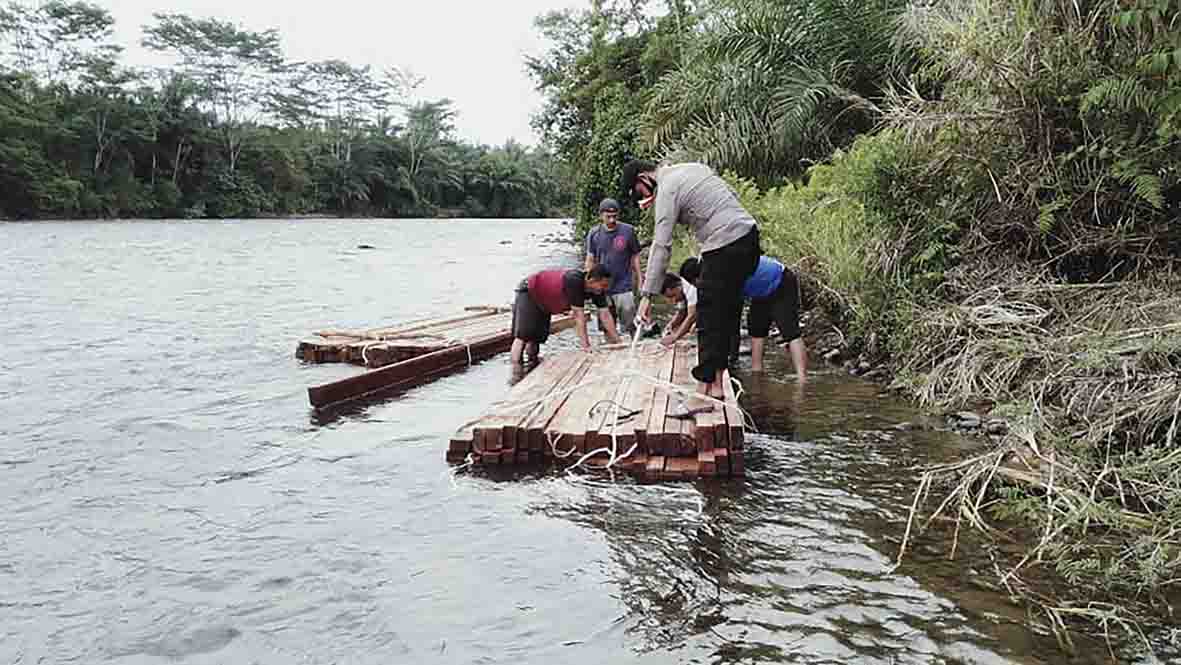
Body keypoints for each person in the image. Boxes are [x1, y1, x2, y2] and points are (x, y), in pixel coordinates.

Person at [623, 160, 761, 398]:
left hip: (724, 244)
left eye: (640, 192)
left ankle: (702, 393)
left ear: (644, 177)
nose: (644, 197)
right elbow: (730, 195)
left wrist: (646, 296)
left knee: (707, 318)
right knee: (725, 314)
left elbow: (662, 245)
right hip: (749, 239)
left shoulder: (667, 188)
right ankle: (717, 385)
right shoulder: (693, 168)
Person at [681, 256, 807, 382]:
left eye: (694, 283)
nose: (697, 287)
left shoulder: (722, 274)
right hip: (760, 291)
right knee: (756, 328)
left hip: (781, 281)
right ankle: (756, 372)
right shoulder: (714, 273)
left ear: (698, 278)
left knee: (790, 331)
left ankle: (802, 380)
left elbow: (727, 312)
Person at [510, 265, 620, 364]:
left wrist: (618, 341)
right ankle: (515, 369)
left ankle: (531, 363)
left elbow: (605, 315)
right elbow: (578, 317)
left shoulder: (598, 291)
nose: (605, 289)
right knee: (523, 335)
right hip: (529, 291)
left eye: (607, 286)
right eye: (603, 285)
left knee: (537, 338)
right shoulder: (574, 280)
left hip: (545, 303)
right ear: (591, 280)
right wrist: (586, 347)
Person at [585, 198, 642, 333]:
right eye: (608, 217)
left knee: (630, 322)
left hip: (623, 284)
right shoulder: (594, 233)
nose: (611, 220)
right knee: (606, 325)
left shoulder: (628, 231)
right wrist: (588, 282)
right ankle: (612, 349)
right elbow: (590, 258)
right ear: (601, 215)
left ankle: (633, 347)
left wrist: (640, 278)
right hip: (602, 286)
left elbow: (635, 256)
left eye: (614, 216)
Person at [657, 273, 697, 347]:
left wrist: (675, 337)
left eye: (673, 296)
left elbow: (692, 316)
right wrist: (671, 325)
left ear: (678, 286)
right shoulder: (681, 290)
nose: (673, 301)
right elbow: (681, 312)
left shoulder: (691, 288)